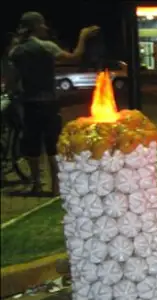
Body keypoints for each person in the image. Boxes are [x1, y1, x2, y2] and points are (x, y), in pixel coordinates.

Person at [7, 12, 99, 195]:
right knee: (52, 145)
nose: (46, 28)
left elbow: (13, 78)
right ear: (37, 26)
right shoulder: (47, 47)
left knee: (32, 145)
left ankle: (36, 184)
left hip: (28, 103)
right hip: (48, 102)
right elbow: (75, 57)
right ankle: (56, 186)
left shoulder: (17, 51)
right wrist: (83, 36)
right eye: (42, 25)